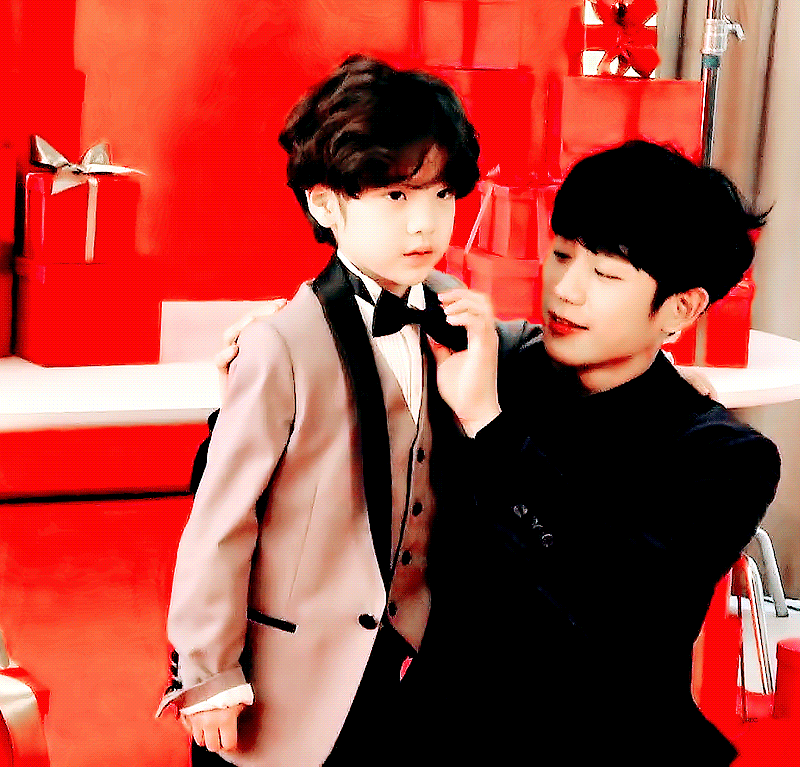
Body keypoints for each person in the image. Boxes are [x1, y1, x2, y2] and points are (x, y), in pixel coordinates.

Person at [156, 54, 513, 766]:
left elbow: (533, 348)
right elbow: (222, 520)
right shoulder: (282, 344)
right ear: (325, 205)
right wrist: (207, 672)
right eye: (395, 196)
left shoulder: (457, 312)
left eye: (443, 195)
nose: (425, 223)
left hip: (416, 664)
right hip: (298, 669)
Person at [417, 140, 781, 766]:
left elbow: (617, 600)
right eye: (562, 254)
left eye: (606, 275)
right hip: (442, 733)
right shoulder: (498, 364)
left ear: (682, 307)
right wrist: (270, 344)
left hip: (606, 746)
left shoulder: (724, 457)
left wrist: (489, 427)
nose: (566, 290)